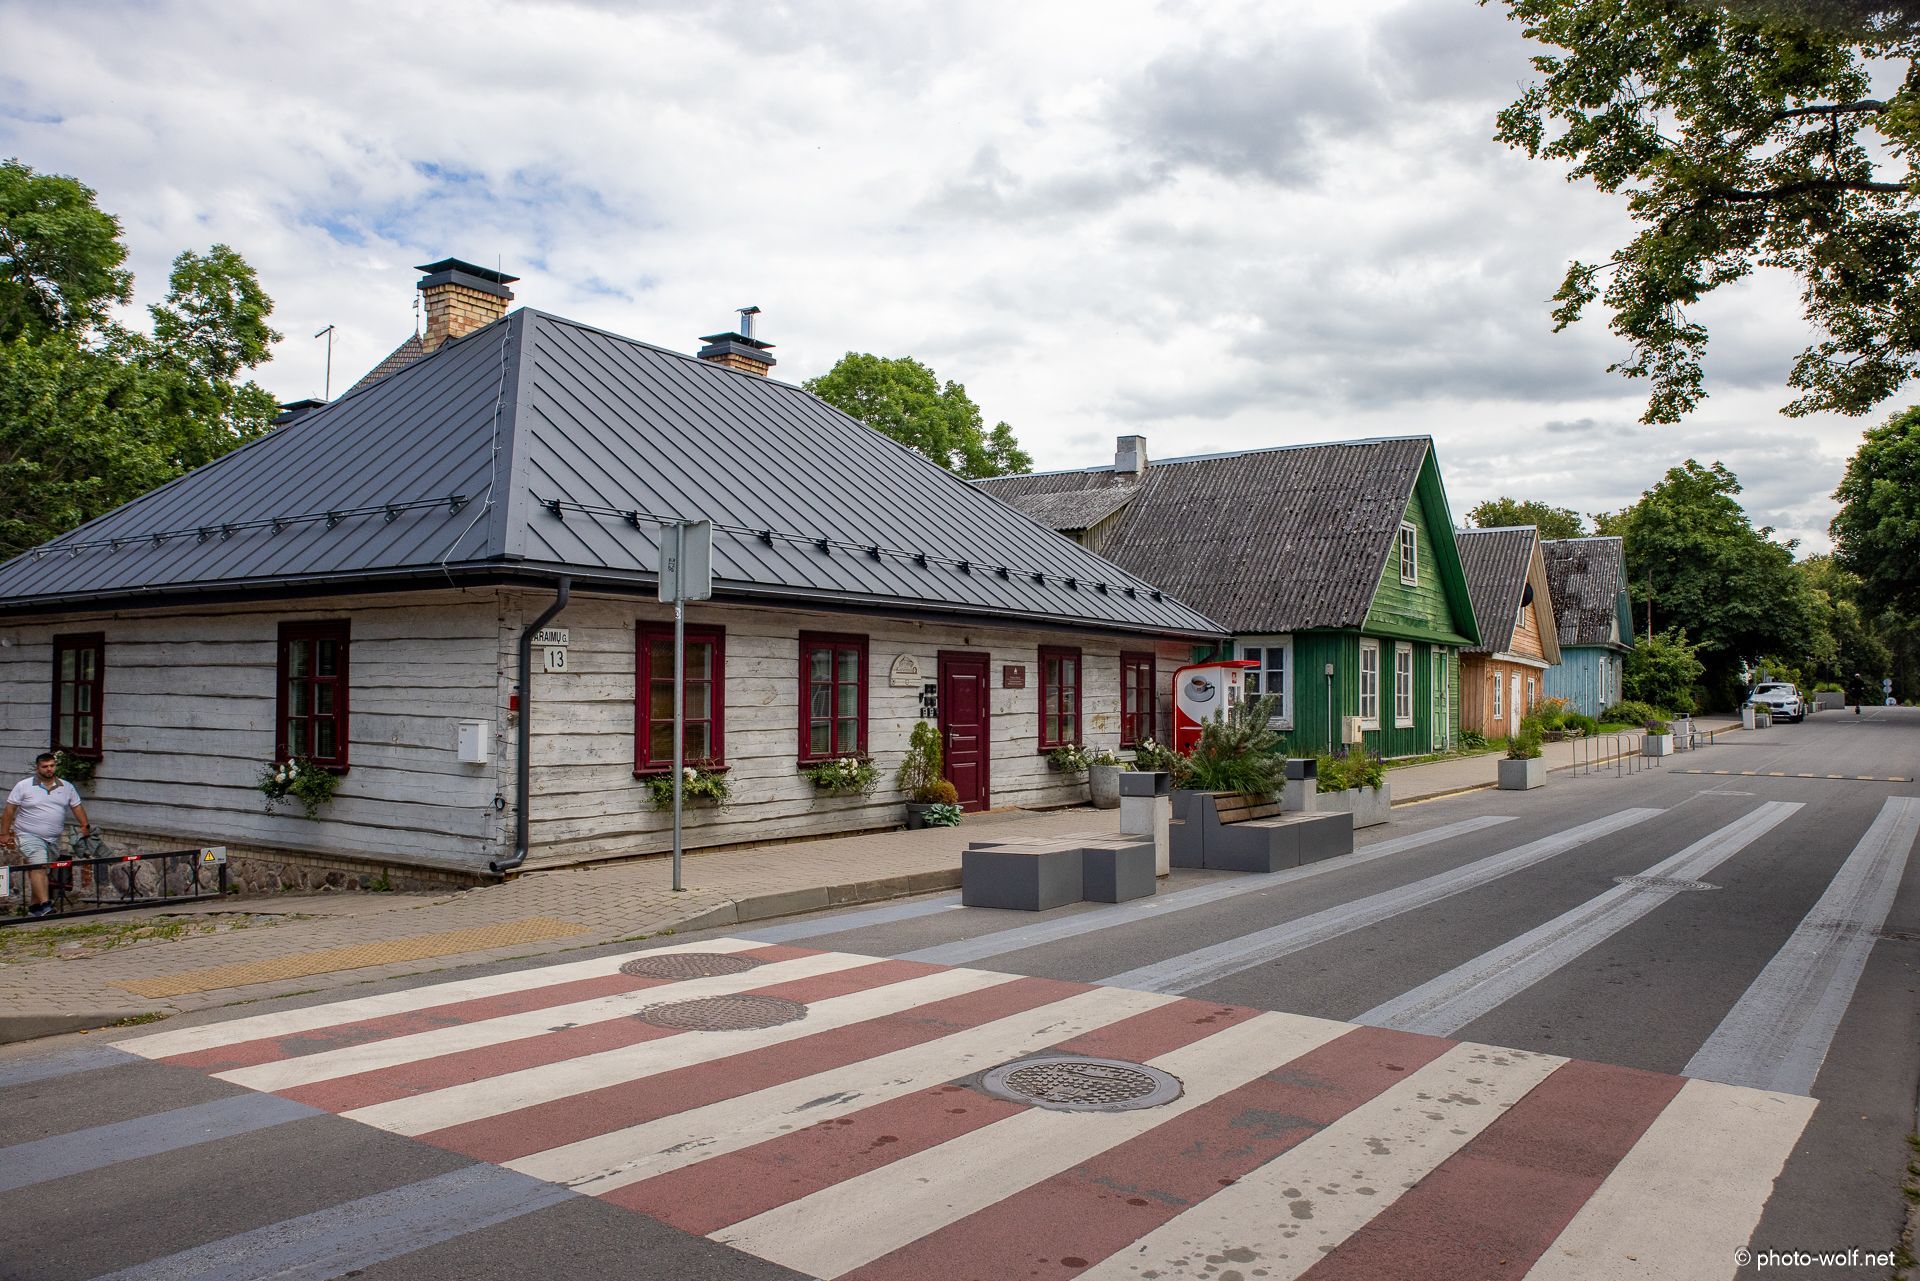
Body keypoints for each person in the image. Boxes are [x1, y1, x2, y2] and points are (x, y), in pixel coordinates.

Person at [1, 752, 91, 918]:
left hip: (53, 838)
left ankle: (34, 907)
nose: (49, 769)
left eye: (52, 766)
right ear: (38, 768)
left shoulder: (66, 787)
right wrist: (4, 833)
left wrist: (85, 826)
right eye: (45, 766)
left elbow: (77, 807)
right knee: (38, 865)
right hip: (28, 834)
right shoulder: (24, 786)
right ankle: (46, 905)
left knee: (42, 870)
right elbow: (9, 810)